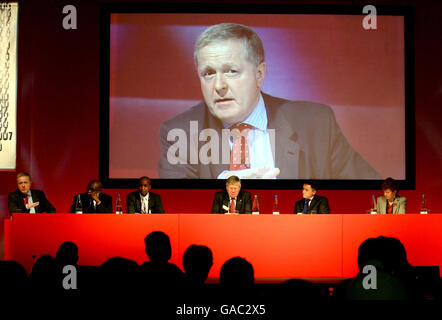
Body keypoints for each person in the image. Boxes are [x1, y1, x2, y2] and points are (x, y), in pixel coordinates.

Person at [158, 23, 380, 179]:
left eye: (232, 71)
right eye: (208, 73)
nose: (218, 86)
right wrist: (226, 189)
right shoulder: (181, 132)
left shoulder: (316, 123)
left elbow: (369, 195)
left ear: (259, 74)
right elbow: (178, 207)